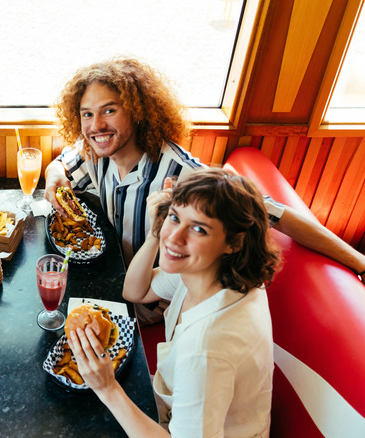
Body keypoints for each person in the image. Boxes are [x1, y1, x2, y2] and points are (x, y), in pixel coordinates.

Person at [44, 57, 365, 316]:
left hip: (147, 301)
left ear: (137, 112)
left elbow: (277, 215)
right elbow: (64, 162)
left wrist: (364, 266)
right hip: (112, 274)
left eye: (109, 111)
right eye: (87, 114)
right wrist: (53, 172)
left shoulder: (183, 175)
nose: (95, 125)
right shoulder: (95, 149)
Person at [69, 168, 280, 437]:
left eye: (198, 229)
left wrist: (107, 388)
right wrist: (157, 233)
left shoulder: (207, 349)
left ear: (234, 243)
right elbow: (135, 292)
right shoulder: (212, 272)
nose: (175, 237)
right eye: (175, 217)